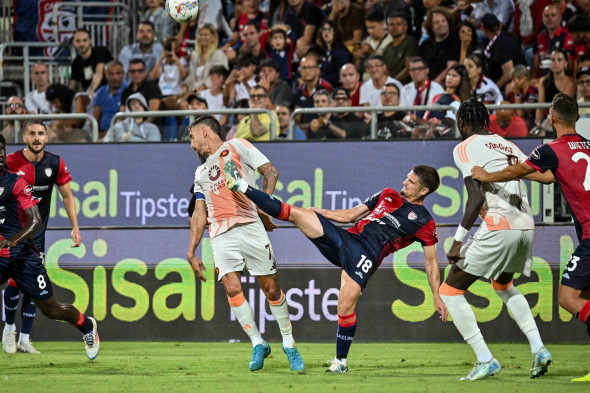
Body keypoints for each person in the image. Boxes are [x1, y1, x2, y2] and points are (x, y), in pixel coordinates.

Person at [223, 160, 447, 372]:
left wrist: (436, 294)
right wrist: (323, 213)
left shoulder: (424, 222)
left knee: (344, 307)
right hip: (346, 239)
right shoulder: (388, 194)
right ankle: (242, 185)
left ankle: (340, 362)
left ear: (424, 191)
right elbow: (352, 214)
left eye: (411, 182)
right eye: (406, 178)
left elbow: (430, 262)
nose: (404, 183)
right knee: (296, 213)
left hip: (365, 256)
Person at [471, 93, 590, 382]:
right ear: (577, 118)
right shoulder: (587, 146)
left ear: (551, 118)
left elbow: (517, 168)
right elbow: (551, 177)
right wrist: (523, 174)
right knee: (586, 297)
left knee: (567, 298)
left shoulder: (552, 148)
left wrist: (486, 175)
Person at [442, 98, 554, 380]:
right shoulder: (509, 145)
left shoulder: (465, 147)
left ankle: (485, 359)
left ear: (462, 123)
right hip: (526, 225)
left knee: (450, 291)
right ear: (488, 121)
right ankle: (539, 348)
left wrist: (457, 241)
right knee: (502, 284)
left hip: (499, 224)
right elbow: (545, 176)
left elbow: (476, 196)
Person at [186, 115, 305, 372]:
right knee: (231, 287)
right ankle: (257, 343)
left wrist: (266, 203)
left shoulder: (238, 146)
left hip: (250, 224)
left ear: (204, 132)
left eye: (192, 137)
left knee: (271, 289)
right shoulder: (200, 172)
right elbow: (199, 213)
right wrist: (191, 251)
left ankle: (289, 343)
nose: (192, 144)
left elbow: (270, 170)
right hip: (220, 233)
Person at [0, 129, 98, 360]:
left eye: (2, 150)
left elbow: (36, 221)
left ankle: (87, 327)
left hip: (23, 255)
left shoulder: (15, 183)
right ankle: (10, 330)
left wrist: (12, 241)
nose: (0, 155)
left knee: (52, 309)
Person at [479, 13, 524, 90]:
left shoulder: (501, 46)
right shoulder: (506, 37)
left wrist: (494, 89)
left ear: (483, 28)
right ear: (499, 25)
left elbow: (509, 72)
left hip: (512, 88)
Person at [535, 49, 576, 131]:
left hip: (565, 120)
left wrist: (548, 124)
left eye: (559, 60)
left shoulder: (572, 82)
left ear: (566, 63)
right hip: (548, 120)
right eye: (553, 60)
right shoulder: (544, 81)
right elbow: (540, 106)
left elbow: (562, 107)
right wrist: (538, 124)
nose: (555, 62)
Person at [184, 24, 229, 94]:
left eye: (206, 35)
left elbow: (218, 78)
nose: (202, 37)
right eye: (201, 35)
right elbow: (190, 77)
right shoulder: (195, 57)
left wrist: (196, 92)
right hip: (193, 92)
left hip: (211, 92)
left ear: (213, 38)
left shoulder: (219, 55)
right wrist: (185, 87)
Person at [419, 7, 459, 85]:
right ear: (431, 27)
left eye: (443, 21)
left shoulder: (455, 40)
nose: (441, 24)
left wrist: (433, 85)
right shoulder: (425, 44)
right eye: (437, 22)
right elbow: (420, 67)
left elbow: (451, 68)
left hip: (443, 84)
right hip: (426, 83)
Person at [531, 5, 574, 78]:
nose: (549, 18)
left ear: (560, 18)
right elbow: (535, 65)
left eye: (553, 15)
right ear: (543, 19)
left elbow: (570, 66)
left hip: (561, 79)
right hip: (542, 80)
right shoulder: (539, 37)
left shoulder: (567, 36)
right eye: (546, 15)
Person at [400, 57, 445, 123]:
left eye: (420, 68)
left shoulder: (437, 88)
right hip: (410, 123)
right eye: (413, 69)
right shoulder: (405, 89)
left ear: (427, 70)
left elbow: (440, 111)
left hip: (430, 124)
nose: (416, 72)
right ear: (409, 72)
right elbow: (403, 110)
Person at [69, 28, 113, 96]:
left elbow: (99, 74)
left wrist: (90, 92)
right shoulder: (76, 62)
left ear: (90, 41)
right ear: (74, 42)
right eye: (78, 41)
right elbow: (73, 84)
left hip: (109, 92)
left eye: (85, 40)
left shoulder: (100, 51)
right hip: (91, 97)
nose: (81, 44)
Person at [120, 58, 163, 125]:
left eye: (140, 71)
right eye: (133, 71)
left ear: (145, 72)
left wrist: (139, 129)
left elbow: (153, 115)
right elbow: (122, 116)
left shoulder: (152, 87)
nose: (136, 74)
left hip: (150, 128)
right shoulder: (126, 92)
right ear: (129, 74)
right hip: (130, 129)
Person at [92, 60, 128, 139]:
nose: (114, 77)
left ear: (123, 74)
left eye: (118, 73)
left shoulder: (129, 91)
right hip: (102, 133)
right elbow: (95, 118)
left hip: (122, 134)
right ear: (105, 75)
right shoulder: (101, 91)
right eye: (111, 74)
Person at [382, 12, 419, 85]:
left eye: (398, 24)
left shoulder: (410, 42)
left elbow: (409, 68)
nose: (395, 27)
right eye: (392, 25)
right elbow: (385, 70)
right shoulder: (387, 48)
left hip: (407, 85)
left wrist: (394, 83)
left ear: (405, 27)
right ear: (387, 27)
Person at [316, 20, 352, 88]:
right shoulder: (324, 51)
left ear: (335, 32)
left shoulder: (340, 51)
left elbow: (341, 74)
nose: (326, 32)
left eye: (330, 29)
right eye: (324, 29)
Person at [505, 64, 539, 130]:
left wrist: (517, 95)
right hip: (514, 122)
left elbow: (522, 114)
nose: (516, 82)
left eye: (519, 79)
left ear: (527, 79)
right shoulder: (511, 93)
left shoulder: (533, 91)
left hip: (532, 122)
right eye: (514, 79)